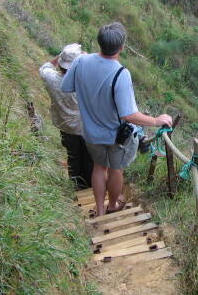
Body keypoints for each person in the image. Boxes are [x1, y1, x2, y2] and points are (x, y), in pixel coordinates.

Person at [62, 22, 172, 216]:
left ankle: (99, 208)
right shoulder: (121, 74)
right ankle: (112, 204)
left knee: (98, 167)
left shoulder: (80, 62)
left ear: (99, 42)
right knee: (115, 170)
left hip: (90, 132)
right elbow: (128, 114)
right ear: (121, 47)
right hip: (115, 136)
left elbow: (66, 87)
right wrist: (156, 121)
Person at [39, 43, 93, 190]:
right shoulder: (85, 83)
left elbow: (44, 67)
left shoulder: (51, 79)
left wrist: (62, 56)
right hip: (86, 128)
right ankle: (89, 187)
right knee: (89, 158)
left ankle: (76, 186)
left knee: (73, 156)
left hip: (65, 126)